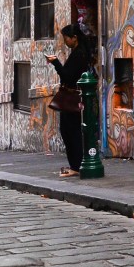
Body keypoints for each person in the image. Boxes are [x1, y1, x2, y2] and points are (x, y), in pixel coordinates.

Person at [46, 24, 92, 178]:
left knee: (70, 132)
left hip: (72, 98)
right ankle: (75, 165)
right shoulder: (78, 53)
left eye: (66, 38)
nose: (65, 41)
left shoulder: (79, 55)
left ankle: (76, 166)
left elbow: (68, 76)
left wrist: (55, 62)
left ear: (74, 38)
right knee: (69, 131)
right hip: (72, 97)